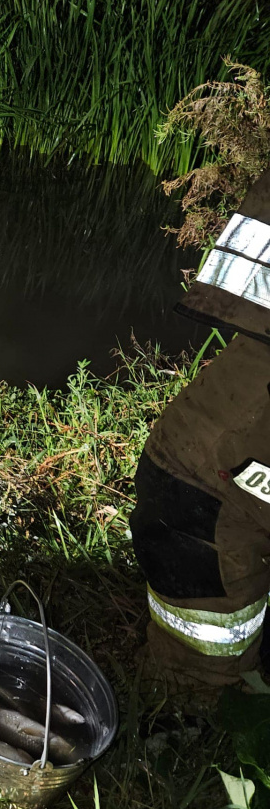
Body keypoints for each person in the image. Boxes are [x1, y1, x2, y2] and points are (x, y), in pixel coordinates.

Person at [131, 169, 270, 701]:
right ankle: (189, 707)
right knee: (190, 488)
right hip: (200, 484)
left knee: (191, 485)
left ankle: (192, 704)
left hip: (201, 481)